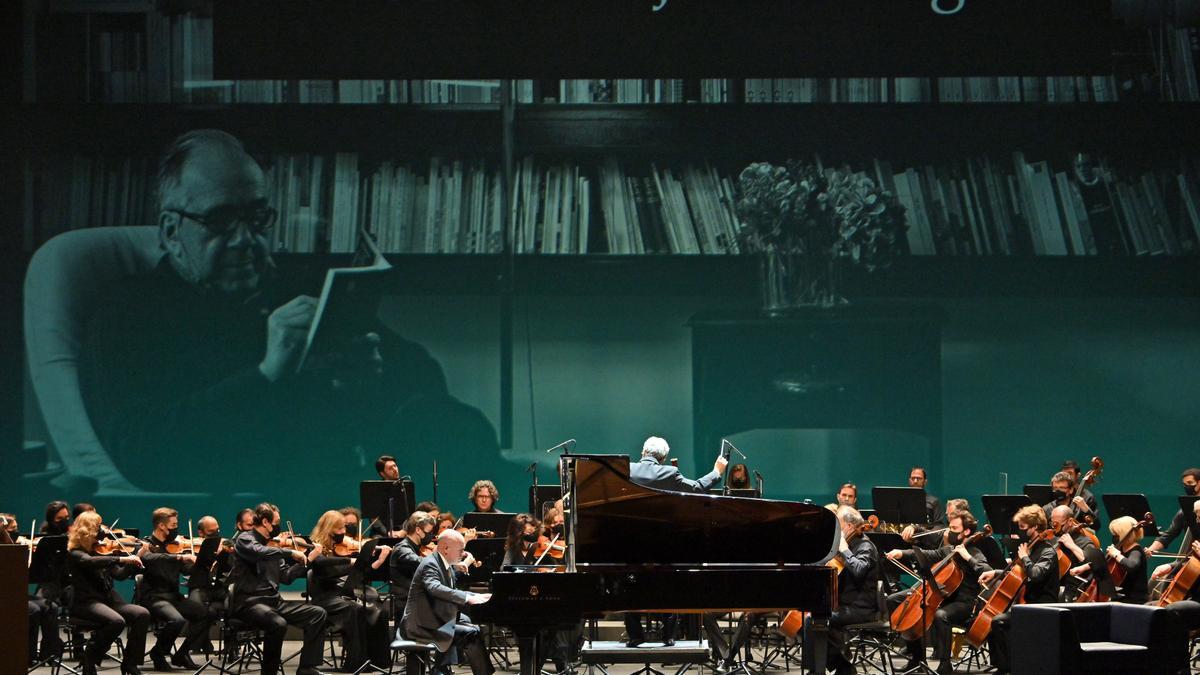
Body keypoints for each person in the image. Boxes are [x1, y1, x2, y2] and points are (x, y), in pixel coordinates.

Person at [73, 128, 499, 493]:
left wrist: (373, 372)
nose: (245, 240)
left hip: (353, 478)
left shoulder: (295, 289)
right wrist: (268, 375)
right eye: (221, 221)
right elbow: (144, 452)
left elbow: (425, 375)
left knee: (457, 430)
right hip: (248, 506)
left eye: (257, 218)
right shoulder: (127, 314)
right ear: (171, 231)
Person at [623, 436, 727, 648]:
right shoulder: (669, 473)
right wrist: (717, 472)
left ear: (643, 452)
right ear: (663, 457)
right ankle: (668, 636)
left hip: (631, 541)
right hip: (664, 542)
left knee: (630, 586)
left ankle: (635, 636)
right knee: (668, 586)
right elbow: (697, 488)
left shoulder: (627, 470)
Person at [885, 511, 992, 675]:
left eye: (954, 528)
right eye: (949, 527)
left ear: (967, 532)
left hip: (964, 603)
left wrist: (967, 557)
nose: (949, 531)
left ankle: (945, 664)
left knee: (941, 615)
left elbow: (988, 571)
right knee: (894, 599)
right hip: (942, 595)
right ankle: (917, 658)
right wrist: (902, 553)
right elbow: (928, 554)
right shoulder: (949, 549)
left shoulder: (975, 552)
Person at [228, 503, 328, 675]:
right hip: (249, 603)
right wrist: (289, 553)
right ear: (266, 522)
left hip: (273, 602)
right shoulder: (246, 538)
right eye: (277, 521)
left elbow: (286, 577)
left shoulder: (273, 548)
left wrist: (309, 559)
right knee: (277, 623)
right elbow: (259, 551)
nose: (278, 526)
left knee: (317, 613)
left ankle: (307, 668)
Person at [977, 505, 1059, 675]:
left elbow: (1035, 574)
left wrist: (1025, 558)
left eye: (1023, 527)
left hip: (1042, 607)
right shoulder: (1030, 547)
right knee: (993, 619)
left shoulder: (1047, 551)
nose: (1019, 531)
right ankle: (1004, 665)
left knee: (999, 622)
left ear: (1035, 527)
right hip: (1027, 603)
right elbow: (1018, 573)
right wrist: (995, 573)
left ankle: (1009, 668)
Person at [400, 529, 494, 675]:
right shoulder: (430, 564)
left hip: (434, 620)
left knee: (472, 628)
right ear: (445, 548)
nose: (464, 554)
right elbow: (434, 588)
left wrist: (478, 596)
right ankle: (442, 669)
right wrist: (467, 598)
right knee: (470, 633)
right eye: (461, 550)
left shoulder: (444, 563)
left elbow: (451, 589)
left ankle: (442, 669)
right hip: (420, 626)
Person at [66, 511, 149, 675]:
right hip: (86, 602)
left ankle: (130, 664)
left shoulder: (101, 550)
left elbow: (119, 575)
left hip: (108, 599)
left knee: (142, 614)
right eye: (98, 528)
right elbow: (88, 562)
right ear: (87, 531)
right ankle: (90, 654)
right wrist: (122, 559)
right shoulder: (75, 553)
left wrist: (136, 557)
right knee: (117, 621)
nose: (102, 531)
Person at [309, 509, 393, 670]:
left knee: (379, 611)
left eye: (343, 528)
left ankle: (378, 660)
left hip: (342, 594)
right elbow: (322, 565)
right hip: (326, 598)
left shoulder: (339, 546)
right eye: (339, 529)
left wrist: (375, 559)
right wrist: (351, 561)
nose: (343, 532)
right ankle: (356, 662)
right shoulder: (317, 548)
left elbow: (356, 573)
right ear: (328, 529)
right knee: (355, 609)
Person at [805, 505, 879, 675]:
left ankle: (818, 670)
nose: (836, 529)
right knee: (809, 618)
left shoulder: (865, 546)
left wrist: (844, 550)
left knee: (813, 621)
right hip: (844, 605)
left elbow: (859, 570)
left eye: (839, 524)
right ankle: (842, 667)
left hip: (861, 608)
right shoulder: (844, 544)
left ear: (850, 526)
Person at [137, 507, 211, 670]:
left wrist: (202, 562)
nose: (176, 528)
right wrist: (179, 557)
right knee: (177, 620)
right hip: (154, 597)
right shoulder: (146, 545)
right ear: (162, 526)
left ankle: (181, 654)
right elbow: (151, 559)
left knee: (205, 614)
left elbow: (185, 570)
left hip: (173, 596)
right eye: (174, 524)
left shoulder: (174, 546)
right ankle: (158, 652)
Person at [1070, 516, 1147, 604]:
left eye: (1116, 534)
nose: (1114, 537)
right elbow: (1104, 563)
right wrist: (1083, 567)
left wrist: (1116, 555)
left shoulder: (1136, 551)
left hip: (1133, 600)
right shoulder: (1120, 548)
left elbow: (1131, 565)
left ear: (1123, 534)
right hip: (1119, 598)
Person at [186, 515, 230, 655]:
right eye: (211, 533)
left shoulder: (223, 545)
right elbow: (185, 570)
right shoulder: (190, 548)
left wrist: (224, 555)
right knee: (200, 610)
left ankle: (231, 647)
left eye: (217, 531)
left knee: (236, 603)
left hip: (217, 587)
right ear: (201, 533)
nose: (216, 536)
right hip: (199, 586)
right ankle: (196, 645)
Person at [1048, 504, 1107, 601]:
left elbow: (1094, 563)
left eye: (1058, 525)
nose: (1055, 528)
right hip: (1054, 586)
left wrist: (1072, 546)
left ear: (1070, 521)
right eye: (1053, 524)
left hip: (1071, 591)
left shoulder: (1084, 541)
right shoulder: (1054, 537)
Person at [1146, 468, 1200, 556]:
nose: (1187, 487)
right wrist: (1150, 550)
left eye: (1190, 483)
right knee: (1160, 570)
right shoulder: (1185, 511)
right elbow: (1169, 534)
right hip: (1191, 558)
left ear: (1199, 483)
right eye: (1185, 484)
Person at [391, 511, 438, 610]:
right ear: (418, 530)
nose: (431, 535)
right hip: (407, 603)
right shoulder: (402, 548)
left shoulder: (418, 548)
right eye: (428, 532)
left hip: (418, 599)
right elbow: (418, 561)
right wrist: (438, 556)